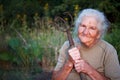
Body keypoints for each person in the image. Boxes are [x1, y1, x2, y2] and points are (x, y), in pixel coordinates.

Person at [52, 8, 120, 80]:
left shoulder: (108, 50)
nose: (85, 32)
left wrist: (90, 70)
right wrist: (69, 63)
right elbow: (54, 78)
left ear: (99, 33)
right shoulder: (67, 46)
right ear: (78, 27)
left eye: (92, 28)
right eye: (83, 26)